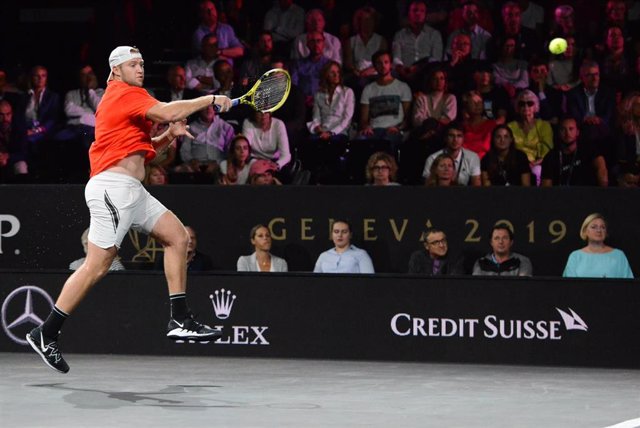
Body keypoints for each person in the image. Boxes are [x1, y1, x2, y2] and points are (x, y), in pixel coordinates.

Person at [25, 46, 233, 374]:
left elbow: (144, 153)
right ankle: (46, 331)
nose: (139, 69)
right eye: (132, 64)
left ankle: (179, 318)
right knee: (97, 265)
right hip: (113, 188)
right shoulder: (122, 93)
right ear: (115, 71)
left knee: (178, 238)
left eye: (141, 64)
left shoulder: (131, 98)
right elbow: (166, 110)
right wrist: (210, 99)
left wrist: (169, 135)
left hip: (132, 191)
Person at [359, 50, 412, 147]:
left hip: (394, 129)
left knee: (387, 142)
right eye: (379, 63)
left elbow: (408, 118)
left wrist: (398, 128)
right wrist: (366, 127)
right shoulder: (368, 89)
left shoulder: (403, 87)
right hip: (374, 130)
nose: (383, 65)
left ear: (390, 65)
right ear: (374, 66)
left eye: (386, 62)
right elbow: (363, 119)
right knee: (360, 141)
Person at [541, 117, 608, 187]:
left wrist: (603, 193)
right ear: (558, 133)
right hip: (560, 196)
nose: (567, 133)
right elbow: (546, 187)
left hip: (587, 195)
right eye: (563, 129)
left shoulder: (589, 149)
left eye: (571, 129)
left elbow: (601, 168)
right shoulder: (550, 157)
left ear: (577, 132)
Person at [563, 213, 633, 278]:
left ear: (606, 232)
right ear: (585, 231)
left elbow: (628, 286)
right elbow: (569, 286)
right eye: (594, 227)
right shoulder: (575, 256)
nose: (599, 230)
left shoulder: (619, 255)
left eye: (602, 227)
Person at [392, 0, 443, 88]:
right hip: (405, 73)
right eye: (415, 10)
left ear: (425, 14)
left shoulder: (434, 34)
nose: (418, 13)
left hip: (426, 73)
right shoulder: (399, 35)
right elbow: (396, 58)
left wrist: (418, 68)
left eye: (422, 11)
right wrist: (402, 69)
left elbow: (436, 59)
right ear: (409, 13)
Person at [507, 90, 553, 185]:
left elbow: (548, 151)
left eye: (530, 103)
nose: (526, 106)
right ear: (517, 107)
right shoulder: (510, 127)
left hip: (538, 164)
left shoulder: (544, 125)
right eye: (522, 104)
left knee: (537, 170)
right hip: (515, 164)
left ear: (535, 106)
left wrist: (534, 164)